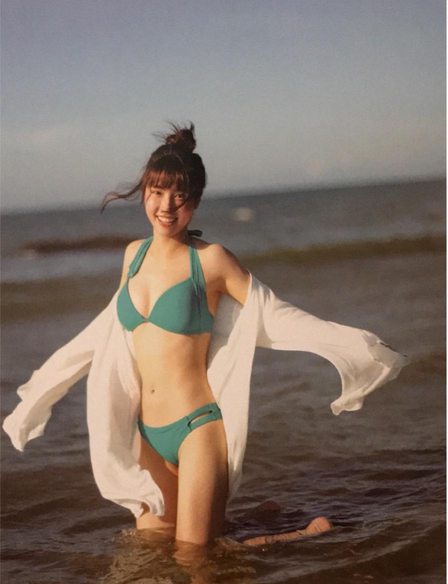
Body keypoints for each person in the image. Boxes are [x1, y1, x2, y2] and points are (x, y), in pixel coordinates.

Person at [2, 122, 407, 548]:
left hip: (197, 429)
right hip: (148, 434)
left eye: (180, 195)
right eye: (157, 191)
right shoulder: (133, 256)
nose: (167, 205)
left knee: (196, 559)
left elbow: (273, 313)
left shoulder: (211, 261)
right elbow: (103, 331)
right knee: (154, 550)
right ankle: (260, 516)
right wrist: (43, 389)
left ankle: (305, 533)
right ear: (144, 192)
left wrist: (356, 347)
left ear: (194, 202)